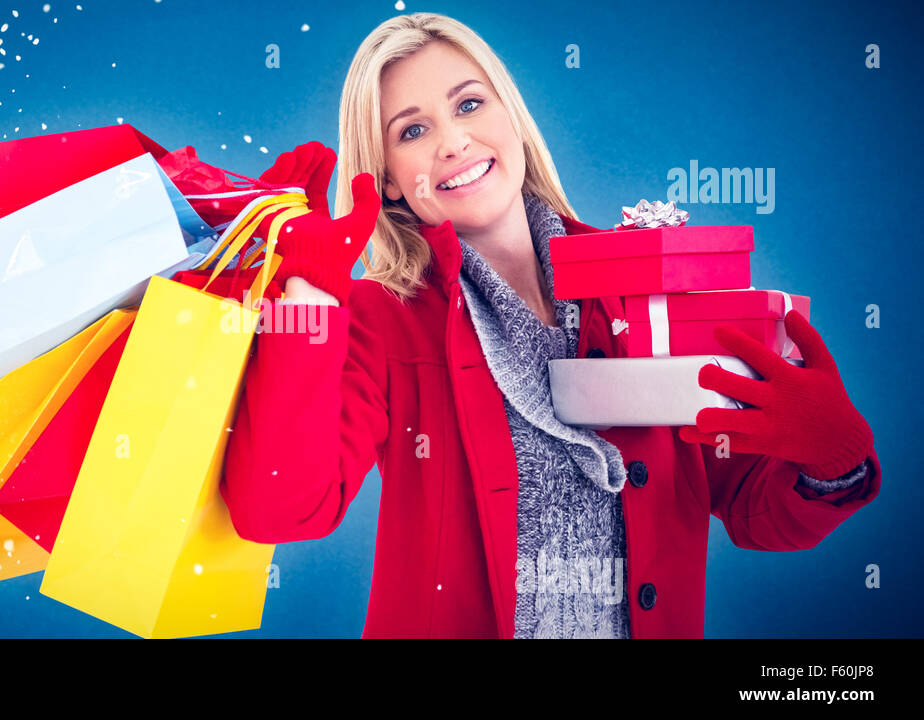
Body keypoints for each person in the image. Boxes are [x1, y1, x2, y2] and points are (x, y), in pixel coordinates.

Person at [220, 12, 879, 638]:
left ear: (512, 116)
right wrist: (305, 297)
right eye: (411, 130)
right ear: (387, 180)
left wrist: (830, 465)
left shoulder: (641, 286)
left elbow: (748, 504)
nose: (453, 140)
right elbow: (280, 507)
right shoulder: (383, 320)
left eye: (469, 104)